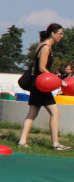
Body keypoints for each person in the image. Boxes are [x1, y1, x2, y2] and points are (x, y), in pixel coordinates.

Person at [18, 23, 71, 151]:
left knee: (32, 113)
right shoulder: (46, 47)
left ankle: (22, 141)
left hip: (38, 84)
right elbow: (42, 68)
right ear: (53, 34)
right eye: (60, 33)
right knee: (54, 112)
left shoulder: (44, 45)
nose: (62, 36)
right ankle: (55, 144)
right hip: (41, 85)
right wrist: (57, 80)